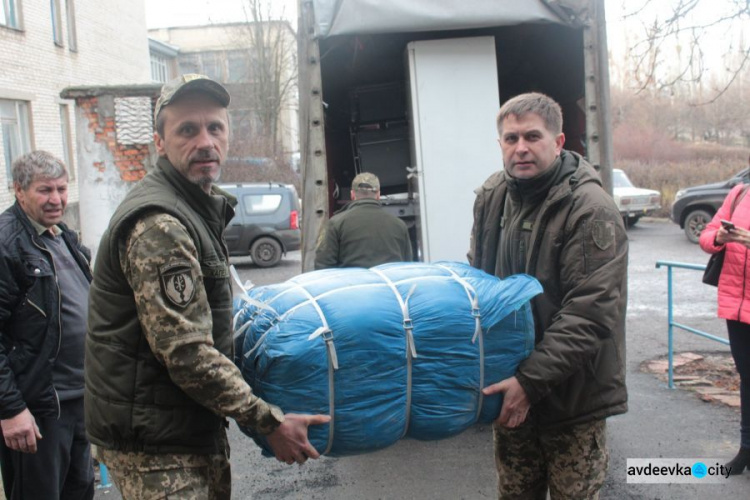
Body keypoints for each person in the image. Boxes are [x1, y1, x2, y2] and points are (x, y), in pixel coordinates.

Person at [85, 74, 330, 499]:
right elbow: (185, 351)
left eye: (215, 127)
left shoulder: (194, 206)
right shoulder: (160, 225)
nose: (205, 141)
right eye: (187, 130)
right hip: (158, 449)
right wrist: (267, 420)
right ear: (159, 142)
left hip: (180, 430)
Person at [468, 92, 628, 499]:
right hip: (511, 389)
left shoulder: (590, 209)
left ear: (558, 143)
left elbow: (590, 313)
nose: (520, 148)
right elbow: (477, 283)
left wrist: (529, 381)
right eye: (510, 138)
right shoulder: (492, 197)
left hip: (572, 397)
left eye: (532, 137)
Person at [0, 151, 95, 499]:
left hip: (79, 400)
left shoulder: (61, 236)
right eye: (44, 190)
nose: (56, 199)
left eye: (61, 189)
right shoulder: (6, 244)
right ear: (19, 191)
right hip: (38, 411)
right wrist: (11, 410)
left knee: (80, 490)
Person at [699, 182, 750, 475]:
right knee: (747, 377)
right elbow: (706, 235)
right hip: (738, 304)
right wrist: (718, 236)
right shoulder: (740, 193)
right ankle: (746, 448)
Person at [314, 172, 413, 269]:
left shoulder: (335, 223)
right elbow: (407, 266)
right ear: (378, 195)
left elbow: (323, 266)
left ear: (352, 195)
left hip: (353, 284)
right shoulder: (399, 225)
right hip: (388, 284)